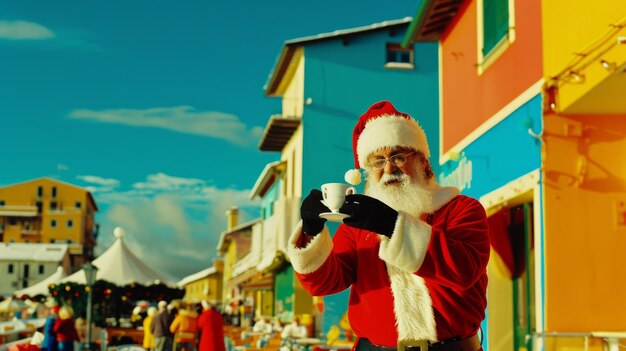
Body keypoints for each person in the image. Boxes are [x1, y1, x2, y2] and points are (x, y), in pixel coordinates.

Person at [287, 101, 490, 350]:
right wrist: (311, 231)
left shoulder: (462, 209)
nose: (389, 168)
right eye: (377, 161)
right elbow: (325, 283)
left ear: (424, 162)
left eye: (398, 156)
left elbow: (465, 269)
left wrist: (391, 225)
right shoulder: (358, 226)